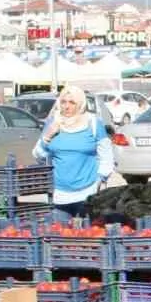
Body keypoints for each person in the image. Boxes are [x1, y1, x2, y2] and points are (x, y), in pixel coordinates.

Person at [32, 85, 113, 223]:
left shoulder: (93, 124)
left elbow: (106, 156)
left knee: (87, 237)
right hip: (60, 195)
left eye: (72, 102)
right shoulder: (53, 123)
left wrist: (101, 179)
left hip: (88, 192)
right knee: (63, 239)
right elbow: (38, 154)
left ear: (80, 104)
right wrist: (48, 136)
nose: (67, 106)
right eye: (63, 102)